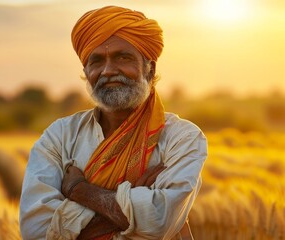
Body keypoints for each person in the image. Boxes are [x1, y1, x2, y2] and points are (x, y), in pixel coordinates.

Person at [19, 5, 207, 240]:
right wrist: (136, 203)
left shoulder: (182, 138)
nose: (108, 70)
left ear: (150, 69)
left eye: (123, 57)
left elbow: (160, 222)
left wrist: (80, 190)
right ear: (86, 72)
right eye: (96, 61)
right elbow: (36, 231)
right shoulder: (59, 137)